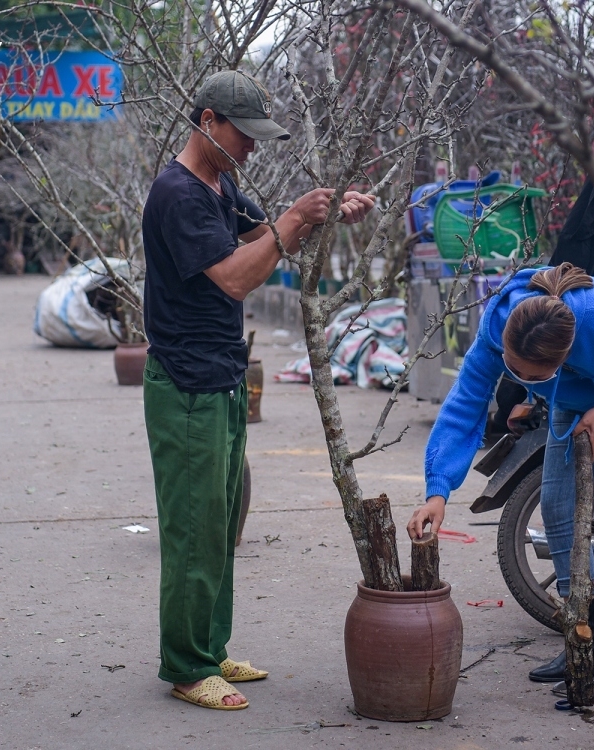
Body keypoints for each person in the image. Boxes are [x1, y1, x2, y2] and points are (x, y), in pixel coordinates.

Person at [142, 70, 374, 711]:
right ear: (208, 121)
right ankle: (187, 667)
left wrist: (319, 213)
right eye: (242, 136)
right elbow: (237, 278)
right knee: (192, 528)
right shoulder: (180, 194)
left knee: (218, 524)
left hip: (218, 377)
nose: (251, 148)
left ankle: (209, 650)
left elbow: (258, 238)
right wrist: (294, 217)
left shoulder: (219, 184)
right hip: (186, 385)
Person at [406, 263, 594, 702]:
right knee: (559, 508)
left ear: (564, 356)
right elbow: (464, 406)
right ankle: (586, 643)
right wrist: (437, 491)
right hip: (573, 392)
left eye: (533, 377)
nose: (522, 381)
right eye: (516, 372)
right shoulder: (500, 324)